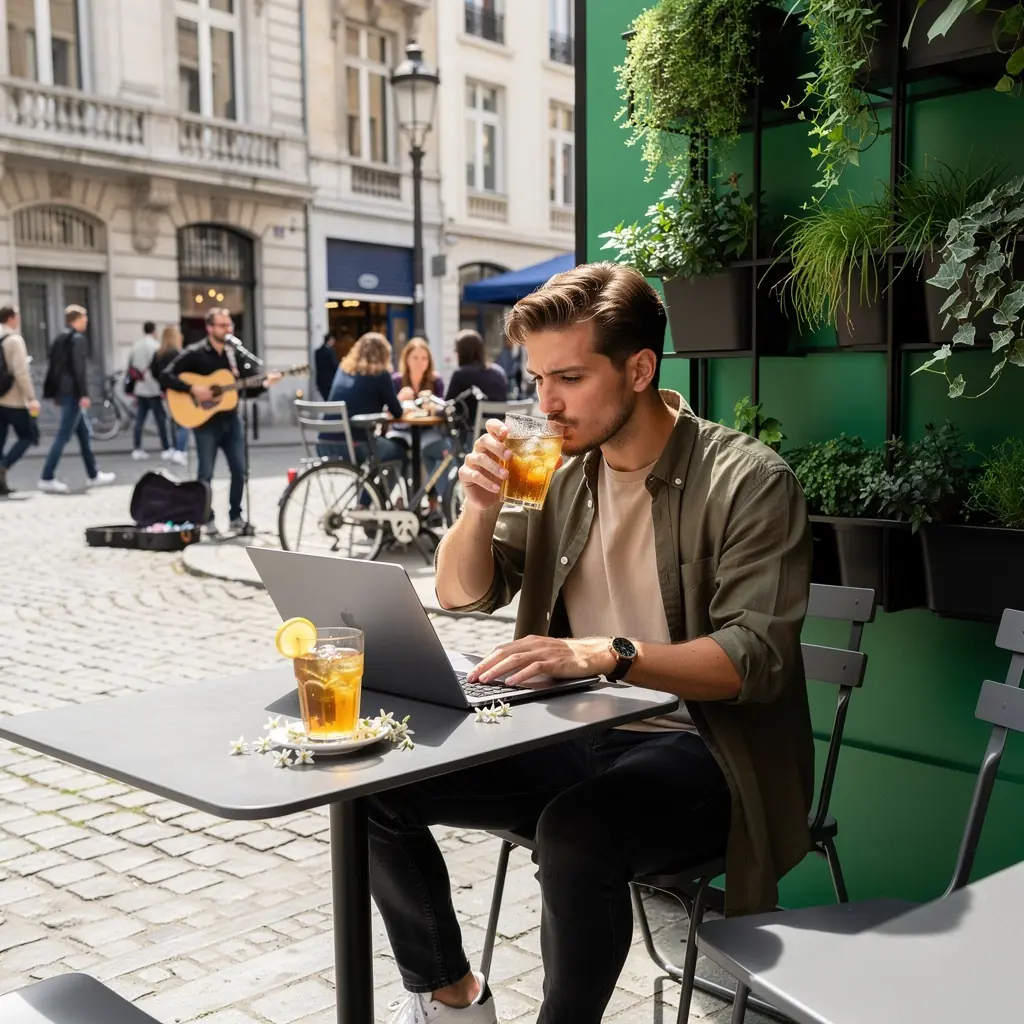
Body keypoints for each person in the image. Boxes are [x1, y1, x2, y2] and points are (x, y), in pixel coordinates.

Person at [373, 262, 815, 1024]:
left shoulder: (748, 480)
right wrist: (477, 509)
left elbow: (755, 660)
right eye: (538, 376)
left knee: (575, 834)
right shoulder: (556, 468)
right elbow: (464, 590)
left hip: (710, 750)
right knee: (376, 787)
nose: (547, 402)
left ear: (639, 368)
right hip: (576, 733)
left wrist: (608, 652)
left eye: (569, 378)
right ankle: (454, 1001)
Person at [161, 308, 282, 535]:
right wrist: (193, 388)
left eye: (230, 325)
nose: (228, 330)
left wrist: (265, 384)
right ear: (210, 328)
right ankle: (206, 518)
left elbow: (241, 389)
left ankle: (236, 516)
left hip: (232, 420)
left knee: (239, 470)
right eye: (222, 325)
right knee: (205, 472)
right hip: (205, 423)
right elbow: (166, 375)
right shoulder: (195, 353)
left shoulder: (233, 354)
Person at [39, 304, 115, 494]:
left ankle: (93, 474)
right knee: (63, 435)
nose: (86, 323)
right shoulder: (78, 339)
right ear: (76, 320)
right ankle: (46, 477)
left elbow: (54, 368)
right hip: (73, 393)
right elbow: (78, 369)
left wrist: (55, 393)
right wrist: (84, 394)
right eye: (84, 319)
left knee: (84, 434)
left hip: (64, 392)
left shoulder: (59, 339)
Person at [0, 305, 41, 495]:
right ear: (11, 318)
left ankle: (1, 483)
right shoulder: (14, 340)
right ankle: (4, 466)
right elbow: (20, 372)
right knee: (28, 435)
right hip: (13, 400)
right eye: (17, 316)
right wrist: (31, 397)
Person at [128, 320, 172, 461]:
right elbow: (158, 368)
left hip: (140, 387)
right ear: (154, 331)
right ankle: (166, 448)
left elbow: (131, 365)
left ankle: (137, 448)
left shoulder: (136, 345)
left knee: (139, 419)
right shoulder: (155, 346)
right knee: (161, 419)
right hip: (152, 387)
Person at [150, 325, 190, 467]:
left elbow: (153, 371)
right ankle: (180, 450)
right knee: (184, 421)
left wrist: (162, 385)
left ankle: (175, 448)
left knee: (174, 420)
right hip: (178, 391)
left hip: (166, 391)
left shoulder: (158, 354)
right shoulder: (176, 354)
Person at [444, 329, 507, 404]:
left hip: (473, 416)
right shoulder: (499, 372)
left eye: (456, 350)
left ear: (461, 353)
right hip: (499, 415)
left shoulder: (460, 374)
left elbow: (447, 405)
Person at [392, 337, 444, 401]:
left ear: (429, 361)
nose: (420, 362)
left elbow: (443, 406)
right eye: (415, 358)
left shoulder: (436, 380)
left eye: (424, 358)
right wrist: (399, 399)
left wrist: (432, 400)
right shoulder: (396, 381)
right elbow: (388, 408)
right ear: (407, 359)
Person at [315, 331, 340, 401]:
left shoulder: (317, 352)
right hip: (330, 381)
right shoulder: (330, 352)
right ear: (330, 340)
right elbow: (334, 365)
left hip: (320, 380)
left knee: (326, 399)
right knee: (330, 400)